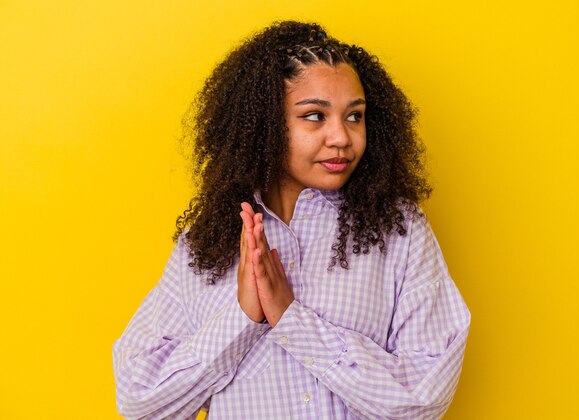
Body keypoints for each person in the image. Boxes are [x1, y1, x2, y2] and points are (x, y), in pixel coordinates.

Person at [113, 21, 470, 419]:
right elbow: (140, 400)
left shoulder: (398, 231)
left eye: (355, 116)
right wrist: (243, 317)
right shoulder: (209, 242)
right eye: (315, 116)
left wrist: (290, 318)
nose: (341, 136)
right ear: (267, 125)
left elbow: (423, 400)